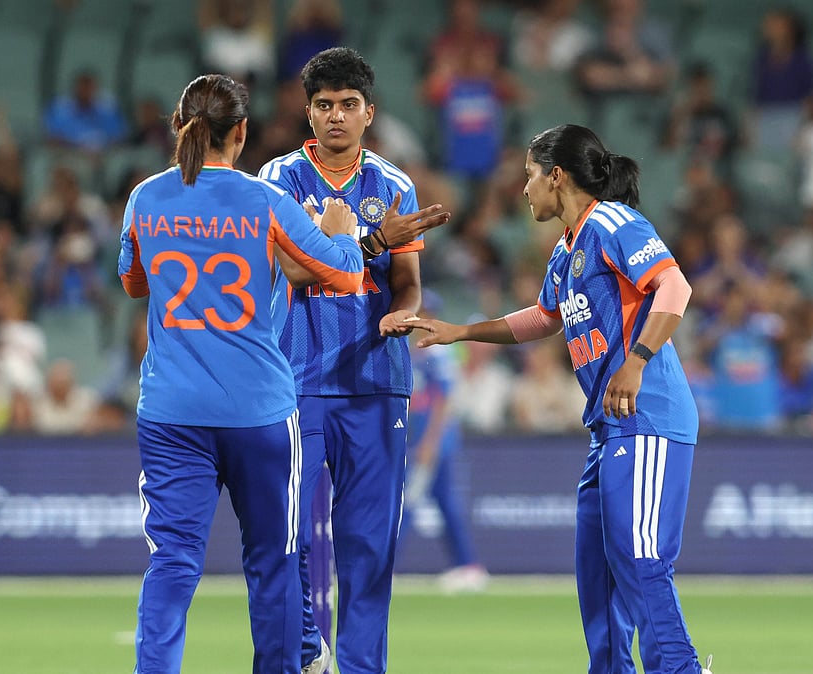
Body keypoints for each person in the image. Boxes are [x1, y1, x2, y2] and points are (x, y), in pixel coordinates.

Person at [406, 124, 713, 674]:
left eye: (529, 176)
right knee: (597, 575)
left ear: (557, 175)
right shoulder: (565, 252)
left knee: (641, 560)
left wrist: (636, 361)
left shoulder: (613, 222)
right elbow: (544, 318)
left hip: (647, 415)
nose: (524, 190)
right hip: (609, 427)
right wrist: (463, 332)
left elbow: (674, 287)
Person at [117, 73, 364, 674]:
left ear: (180, 128)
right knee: (274, 561)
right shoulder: (264, 202)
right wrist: (345, 234)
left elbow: (132, 283)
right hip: (258, 413)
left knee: (172, 564)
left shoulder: (145, 197)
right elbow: (345, 278)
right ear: (243, 132)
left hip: (172, 412)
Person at [257, 47, 450, 674]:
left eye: (347, 105)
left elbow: (408, 279)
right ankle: (306, 652)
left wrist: (405, 309)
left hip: (376, 380)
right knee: (284, 534)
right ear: (307, 113)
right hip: (295, 380)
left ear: (369, 113)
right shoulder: (278, 179)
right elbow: (284, 266)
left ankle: (362, 667)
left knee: (368, 544)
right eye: (323, 106)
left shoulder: (393, 185)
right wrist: (361, 242)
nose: (335, 116)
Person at [400, 289, 487, 594]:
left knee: (406, 503)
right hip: (419, 440)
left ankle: (382, 568)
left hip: (434, 443)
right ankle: (468, 565)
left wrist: (430, 443)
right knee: (444, 502)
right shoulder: (409, 350)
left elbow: (443, 402)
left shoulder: (438, 353)